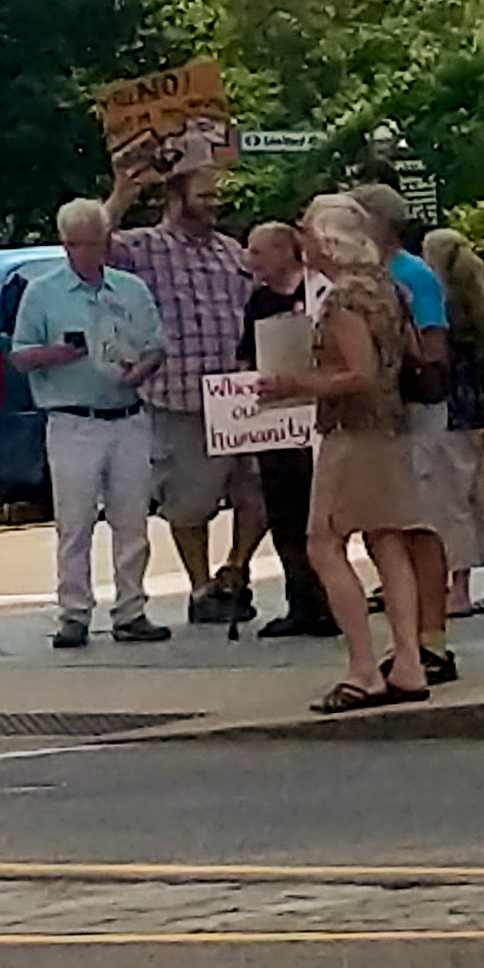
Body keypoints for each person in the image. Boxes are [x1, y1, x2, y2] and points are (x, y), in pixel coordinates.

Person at [276, 196, 433, 712]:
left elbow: (359, 374)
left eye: (306, 231)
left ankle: (364, 668)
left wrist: (298, 383)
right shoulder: (390, 288)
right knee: (388, 541)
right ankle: (408, 659)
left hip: (352, 430)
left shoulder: (344, 299)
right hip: (390, 426)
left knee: (323, 543)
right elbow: (409, 356)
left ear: (327, 239)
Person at [104, 155, 270, 630]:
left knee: (257, 493)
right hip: (180, 394)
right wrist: (122, 193)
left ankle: (235, 570)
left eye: (217, 194)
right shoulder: (144, 248)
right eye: (205, 194)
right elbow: (92, 246)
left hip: (240, 395)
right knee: (190, 501)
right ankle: (200, 588)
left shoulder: (231, 251)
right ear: (175, 196)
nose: (214, 202)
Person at [10, 198, 172, 649]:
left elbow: (156, 344)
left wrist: (143, 369)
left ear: (106, 242)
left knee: (132, 518)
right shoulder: (42, 292)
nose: (83, 253)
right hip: (72, 417)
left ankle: (131, 609)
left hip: (127, 414)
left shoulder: (130, 289)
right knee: (75, 522)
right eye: (74, 244)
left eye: (92, 243)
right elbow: (20, 356)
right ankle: (74, 612)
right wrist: (58, 353)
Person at [353, 182, 461, 684]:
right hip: (390, 415)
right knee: (398, 523)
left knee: (421, 523)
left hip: (416, 410)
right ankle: (415, 637)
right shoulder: (374, 275)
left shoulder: (410, 275)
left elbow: (434, 343)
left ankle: (431, 637)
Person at [235, 223, 335, 639]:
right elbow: (245, 358)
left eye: (258, 252)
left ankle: (332, 600)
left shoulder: (319, 292)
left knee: (324, 518)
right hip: (276, 424)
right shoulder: (258, 301)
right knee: (284, 515)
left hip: (318, 417)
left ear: (283, 251)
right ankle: (302, 602)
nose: (250, 260)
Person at [423, 228, 484, 618]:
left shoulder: (441, 317)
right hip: (478, 412)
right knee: (482, 496)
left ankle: (459, 588)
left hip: (449, 414)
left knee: (452, 503)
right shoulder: (477, 315)